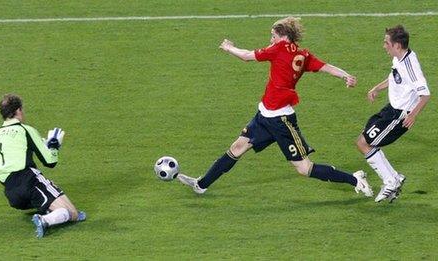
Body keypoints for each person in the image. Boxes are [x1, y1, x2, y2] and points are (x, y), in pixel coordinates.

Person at [177, 17, 373, 197]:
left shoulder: (279, 49)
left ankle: (355, 179)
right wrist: (346, 75)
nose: (270, 40)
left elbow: (246, 56)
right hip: (264, 116)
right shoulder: (302, 54)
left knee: (304, 168)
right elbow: (326, 67)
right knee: (237, 147)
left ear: (284, 37)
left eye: (273, 36)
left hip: (281, 121)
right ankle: (201, 185)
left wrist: (229, 48)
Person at [0, 94, 86, 238]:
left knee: (60, 207)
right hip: (30, 181)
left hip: (12, 194)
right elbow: (50, 161)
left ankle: (49, 211)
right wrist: (54, 146)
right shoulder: (25, 130)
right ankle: (45, 220)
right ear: (19, 110)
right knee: (74, 214)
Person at [356, 25, 430, 203]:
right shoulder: (400, 58)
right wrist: (377, 88)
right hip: (390, 109)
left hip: (398, 116)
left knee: (363, 143)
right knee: (363, 141)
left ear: (397, 45)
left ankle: (390, 181)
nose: (384, 46)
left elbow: (425, 94)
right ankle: (394, 178)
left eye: (386, 43)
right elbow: (394, 77)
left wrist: (412, 115)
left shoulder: (411, 66)